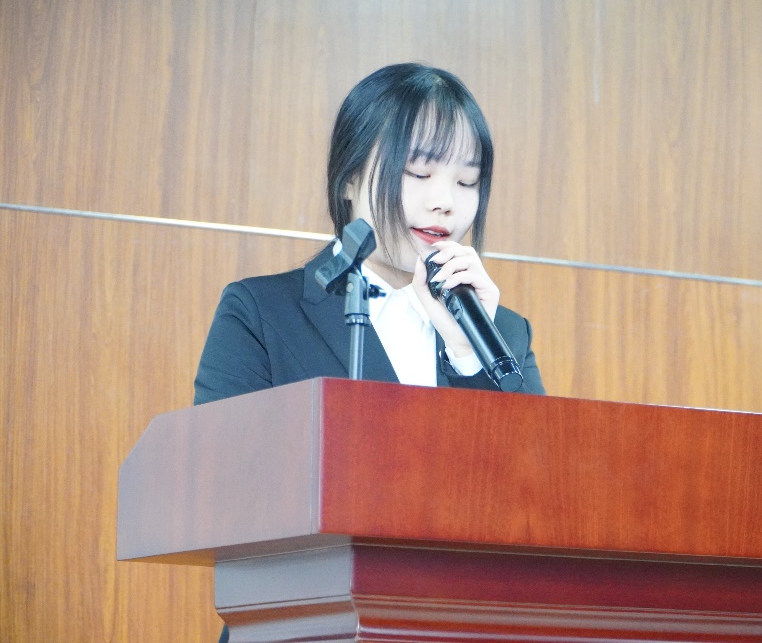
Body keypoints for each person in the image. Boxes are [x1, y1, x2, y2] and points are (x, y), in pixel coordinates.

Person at [194, 62, 545, 407]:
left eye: (467, 182)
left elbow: (532, 446)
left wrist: (468, 355)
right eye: (418, 173)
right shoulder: (260, 314)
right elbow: (225, 446)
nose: (445, 202)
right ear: (349, 176)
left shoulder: (506, 335)